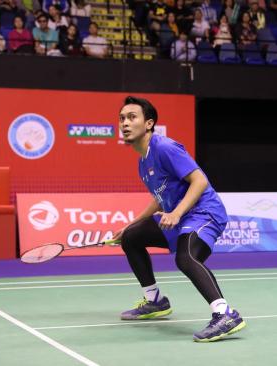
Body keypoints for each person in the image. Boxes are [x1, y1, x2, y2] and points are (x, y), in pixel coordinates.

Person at [113, 96, 246, 342]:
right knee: (132, 237)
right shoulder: (143, 162)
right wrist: (130, 225)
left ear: (149, 123)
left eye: (132, 117)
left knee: (186, 258)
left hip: (204, 212)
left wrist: (175, 213)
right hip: (180, 217)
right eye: (122, 118)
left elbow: (199, 181)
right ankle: (155, 301)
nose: (125, 123)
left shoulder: (165, 147)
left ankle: (225, 314)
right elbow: (158, 198)